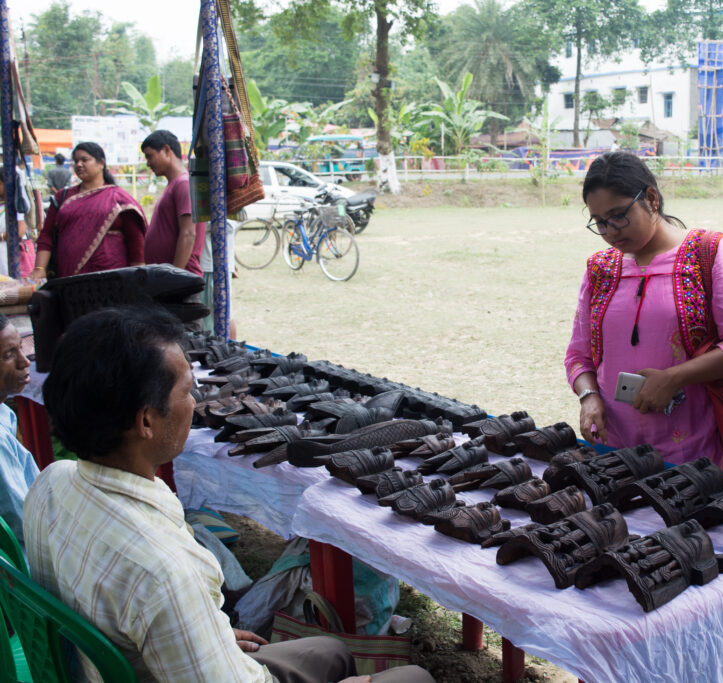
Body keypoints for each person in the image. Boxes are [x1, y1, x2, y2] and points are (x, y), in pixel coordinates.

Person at [23, 306, 434, 683]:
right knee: (413, 679)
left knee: (329, 650)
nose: (196, 399)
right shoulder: (164, 575)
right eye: (186, 391)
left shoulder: (51, 483)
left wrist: (203, 636)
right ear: (146, 421)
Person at [564, 151, 723, 472]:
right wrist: (588, 397)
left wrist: (673, 378)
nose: (610, 231)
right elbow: (578, 355)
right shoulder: (600, 268)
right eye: (599, 222)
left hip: (689, 457)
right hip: (611, 451)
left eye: (619, 215)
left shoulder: (708, 253)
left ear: (651, 199)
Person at [30, 142, 147, 279]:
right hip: (68, 279)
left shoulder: (118, 199)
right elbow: (47, 235)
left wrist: (138, 278)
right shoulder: (62, 197)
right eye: (76, 161)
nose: (79, 164)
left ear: (101, 163)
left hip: (112, 280)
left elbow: (136, 241)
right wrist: (39, 268)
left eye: (84, 160)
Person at [141, 130, 204, 276]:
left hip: (180, 281)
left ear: (166, 150)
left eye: (150, 156)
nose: (148, 163)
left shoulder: (183, 183)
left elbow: (188, 233)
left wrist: (175, 277)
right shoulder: (174, 185)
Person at [0, 313, 37, 546]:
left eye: (21, 349)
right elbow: (26, 522)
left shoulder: (4, 412)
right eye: (8, 355)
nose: (25, 362)